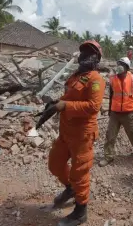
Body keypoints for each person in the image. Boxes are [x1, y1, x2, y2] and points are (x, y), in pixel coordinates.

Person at [48, 40, 106, 226]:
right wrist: (56, 102)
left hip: (82, 134)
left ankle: (81, 212)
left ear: (97, 58)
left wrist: (66, 105)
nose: (85, 56)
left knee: (79, 173)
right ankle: (70, 189)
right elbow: (68, 96)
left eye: (90, 53)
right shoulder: (74, 76)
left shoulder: (96, 79)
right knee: (55, 165)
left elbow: (93, 107)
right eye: (83, 52)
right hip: (65, 132)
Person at [99, 57, 133, 167]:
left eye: (122, 64)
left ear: (127, 67)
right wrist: (109, 111)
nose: (119, 66)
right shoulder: (113, 79)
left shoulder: (132, 78)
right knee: (110, 135)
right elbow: (111, 95)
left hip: (127, 113)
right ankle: (108, 156)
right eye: (118, 63)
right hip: (115, 113)